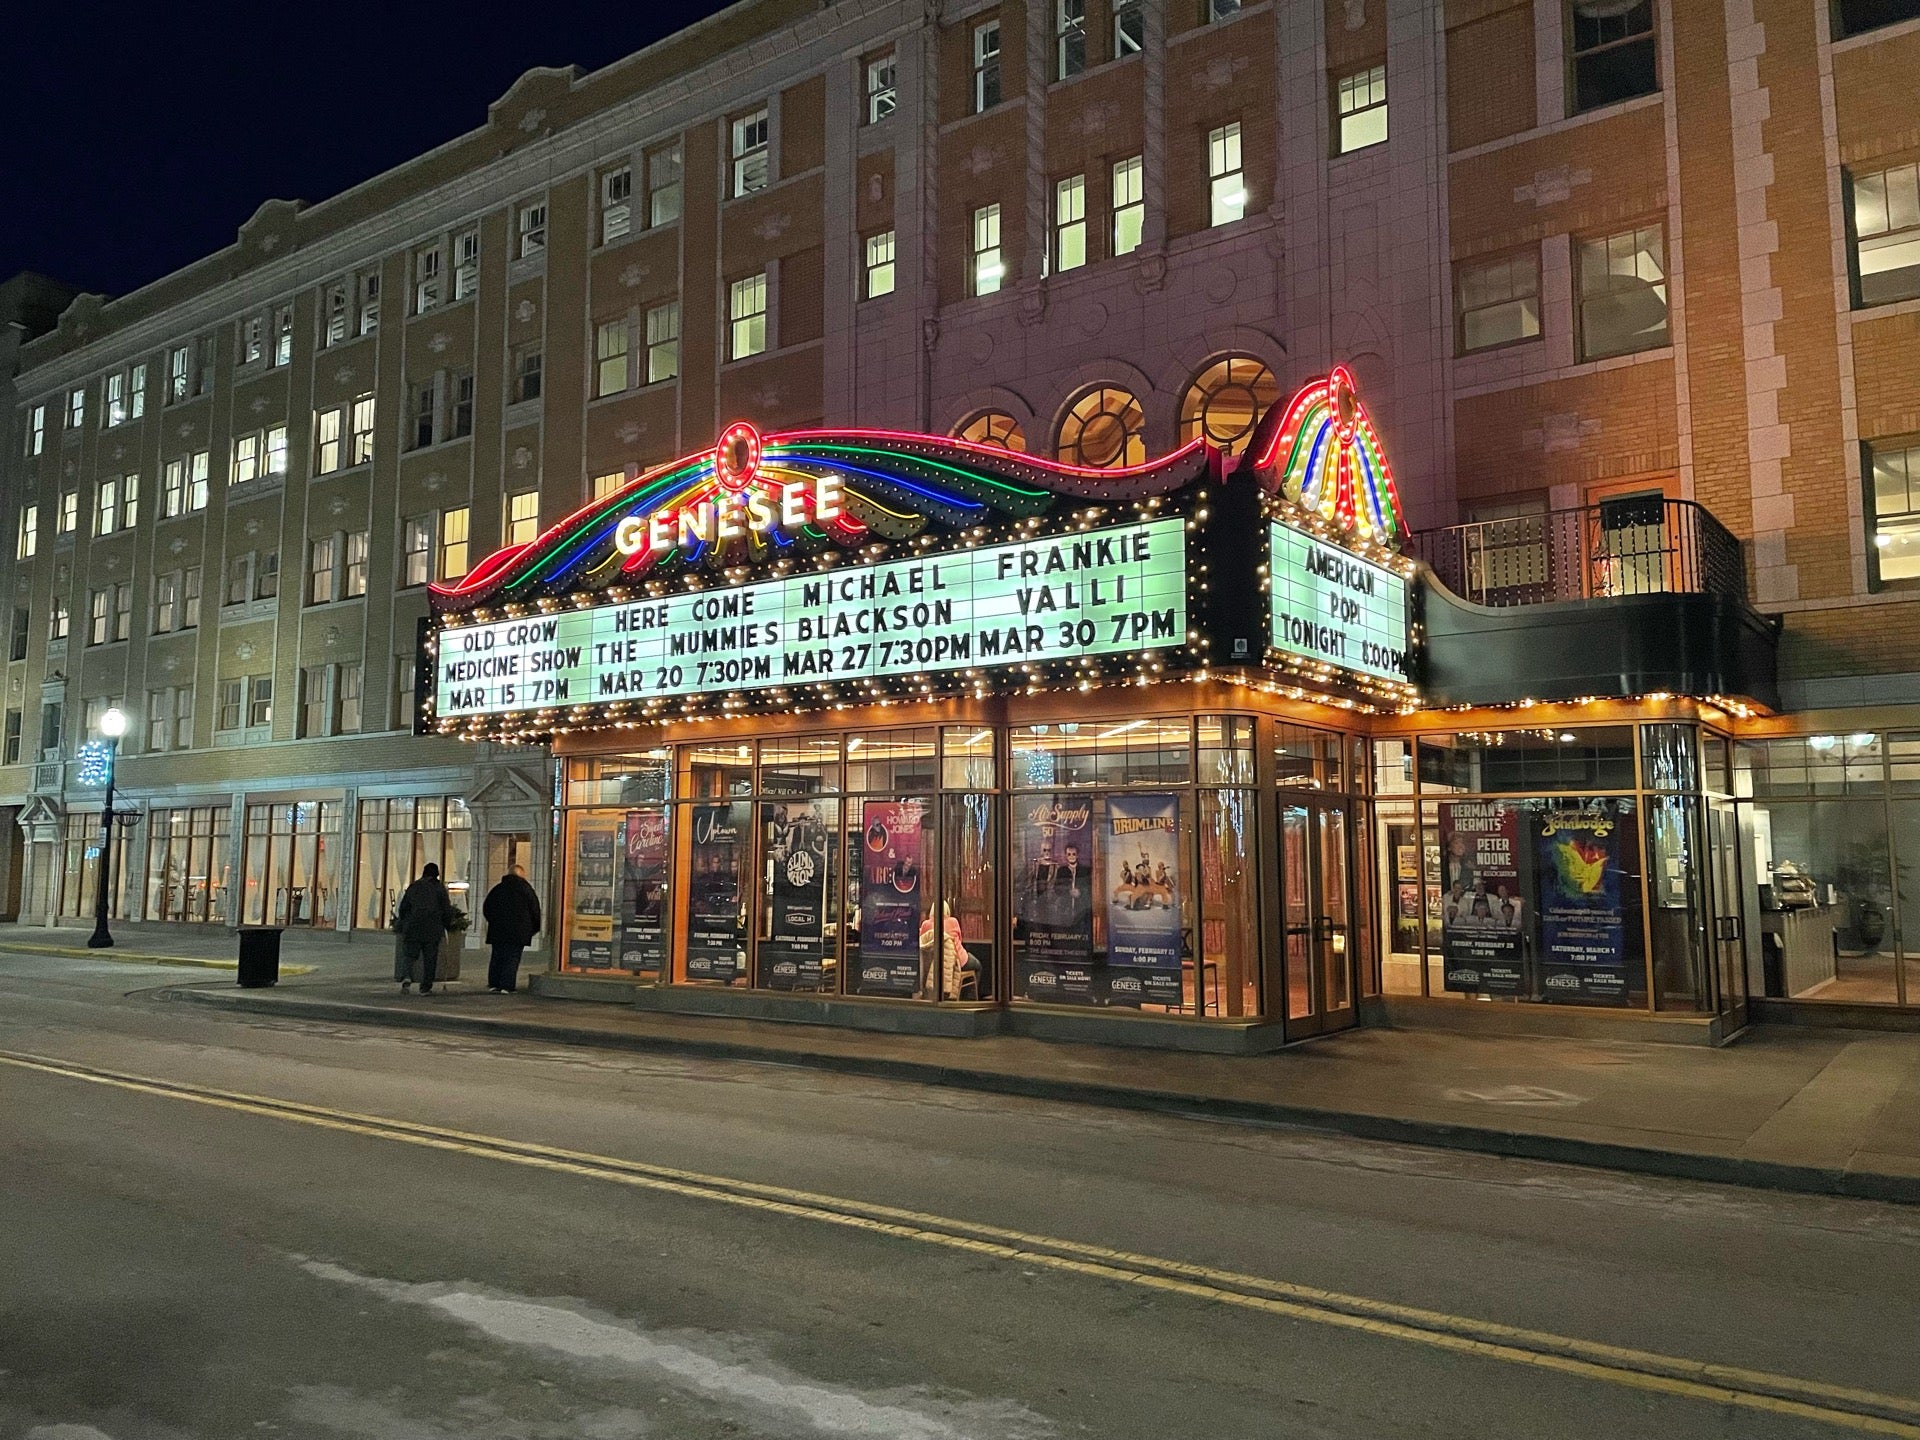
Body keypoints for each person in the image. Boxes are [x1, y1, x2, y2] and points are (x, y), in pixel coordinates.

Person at [396, 862, 456, 994]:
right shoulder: (439, 888)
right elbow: (446, 909)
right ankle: (425, 987)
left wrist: (404, 922)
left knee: (410, 955)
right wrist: (448, 924)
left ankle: (406, 977)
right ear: (437, 875)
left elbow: (404, 907)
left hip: (413, 926)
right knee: (430, 958)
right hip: (432, 928)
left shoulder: (414, 886)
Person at [482, 863, 543, 994]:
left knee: (497, 957)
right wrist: (533, 929)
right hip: (518, 932)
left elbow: (487, 908)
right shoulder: (526, 889)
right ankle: (507, 985)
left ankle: (494, 983)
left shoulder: (498, 889)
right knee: (512, 958)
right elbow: (535, 910)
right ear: (522, 875)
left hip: (497, 930)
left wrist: (493, 922)